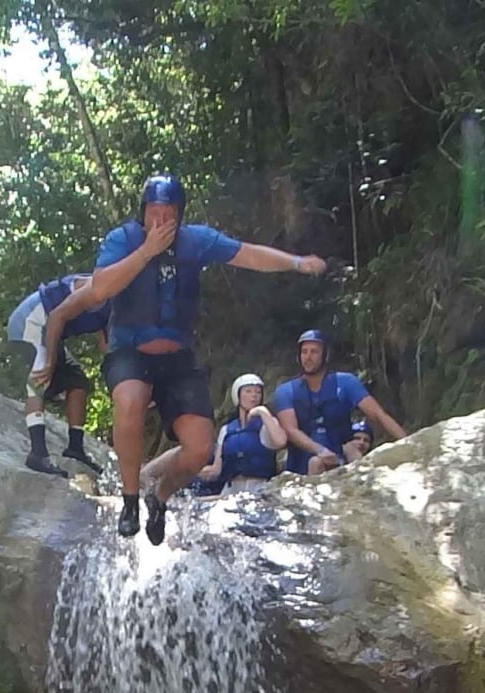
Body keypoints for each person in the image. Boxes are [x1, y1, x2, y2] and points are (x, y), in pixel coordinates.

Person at [77, 172, 327, 542]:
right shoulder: (123, 240)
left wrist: (294, 262)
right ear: (142, 212)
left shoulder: (197, 241)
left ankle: (158, 497)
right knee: (129, 400)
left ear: (180, 215)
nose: (161, 221)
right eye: (154, 213)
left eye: (169, 214)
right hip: (131, 350)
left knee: (200, 449)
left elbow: (248, 254)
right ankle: (130, 500)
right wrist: (147, 251)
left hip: (178, 357)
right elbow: (99, 289)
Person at [6, 274, 110, 477]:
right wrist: (51, 361)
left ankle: (75, 448)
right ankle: (38, 453)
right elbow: (56, 317)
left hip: (49, 331)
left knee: (78, 381)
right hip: (31, 321)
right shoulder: (98, 286)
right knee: (40, 376)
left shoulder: (117, 306)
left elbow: (107, 344)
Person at [275, 329, 408, 475]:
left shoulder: (345, 383)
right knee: (315, 462)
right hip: (301, 468)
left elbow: (378, 414)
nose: (308, 357)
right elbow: (291, 430)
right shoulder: (286, 391)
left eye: (314, 352)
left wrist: (408, 443)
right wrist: (320, 450)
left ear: (325, 355)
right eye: (304, 352)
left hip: (340, 461)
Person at [192, 373, 287, 496]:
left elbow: (280, 441)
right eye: (248, 391)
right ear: (238, 396)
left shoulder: (267, 424)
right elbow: (216, 470)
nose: (253, 396)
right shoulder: (227, 430)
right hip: (232, 490)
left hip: (260, 489)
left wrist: (263, 412)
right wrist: (191, 472)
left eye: (258, 392)